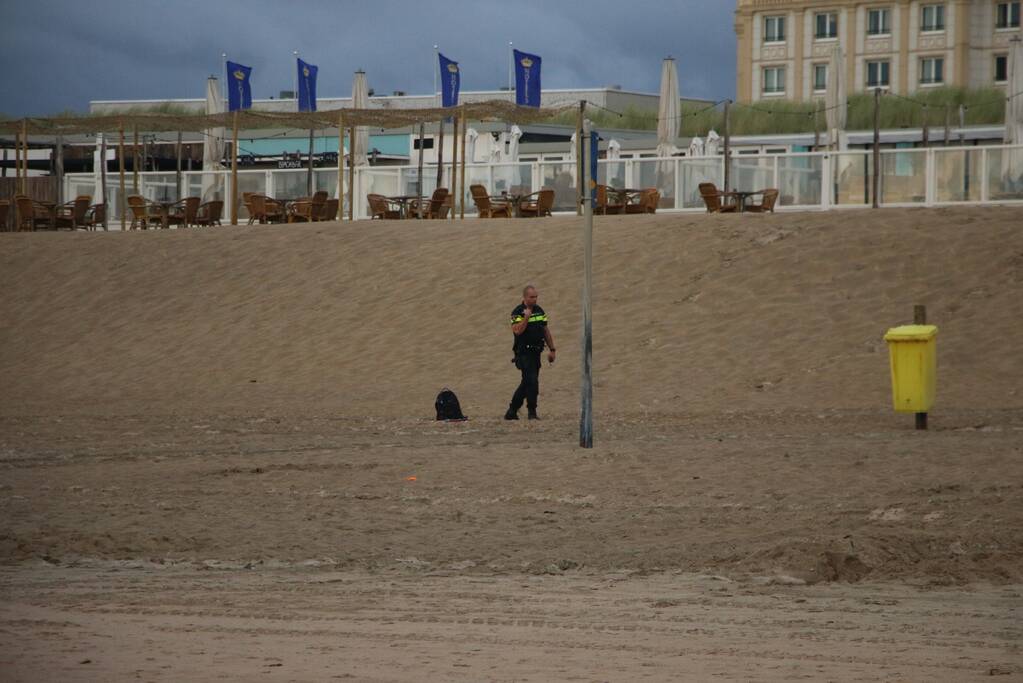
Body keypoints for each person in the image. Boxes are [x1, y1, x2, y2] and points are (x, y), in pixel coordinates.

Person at [505, 285, 556, 420]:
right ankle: (531, 412)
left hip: (536, 352)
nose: (534, 299)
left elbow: (545, 330)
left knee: (527, 382)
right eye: (531, 297)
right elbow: (517, 331)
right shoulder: (517, 312)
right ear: (525, 297)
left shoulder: (539, 311)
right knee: (532, 382)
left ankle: (512, 410)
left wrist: (552, 349)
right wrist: (526, 318)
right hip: (524, 352)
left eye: (536, 297)